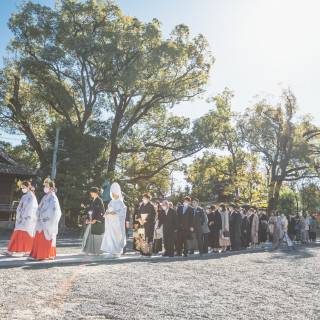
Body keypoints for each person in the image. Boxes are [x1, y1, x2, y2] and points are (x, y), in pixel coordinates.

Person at [1, 181, 38, 257]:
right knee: (16, 233)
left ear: (28, 187)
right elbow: (19, 207)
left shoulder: (32, 197)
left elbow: (31, 209)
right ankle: (10, 250)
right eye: (22, 187)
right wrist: (19, 214)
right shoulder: (24, 197)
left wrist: (24, 215)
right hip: (21, 218)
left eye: (24, 187)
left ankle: (29, 250)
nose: (22, 189)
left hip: (28, 219)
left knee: (28, 234)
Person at [28, 179, 61, 260]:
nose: (45, 188)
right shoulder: (45, 196)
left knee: (43, 236)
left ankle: (42, 255)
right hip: (41, 220)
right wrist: (38, 213)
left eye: (47, 186)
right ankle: (37, 254)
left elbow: (53, 210)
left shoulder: (53, 197)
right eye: (45, 186)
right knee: (38, 237)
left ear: (52, 188)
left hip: (47, 221)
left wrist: (42, 215)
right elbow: (39, 207)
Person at [101, 182, 126, 258]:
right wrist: (107, 212)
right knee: (110, 236)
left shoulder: (120, 202)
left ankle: (116, 252)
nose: (112, 194)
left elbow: (123, 210)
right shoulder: (111, 202)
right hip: (111, 222)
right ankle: (111, 251)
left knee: (116, 237)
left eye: (114, 193)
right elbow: (109, 209)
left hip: (117, 223)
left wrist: (116, 212)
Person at [80, 187, 105, 255]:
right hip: (91, 220)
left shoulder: (99, 200)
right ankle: (87, 250)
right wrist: (87, 219)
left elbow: (101, 211)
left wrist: (96, 219)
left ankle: (96, 251)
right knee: (87, 235)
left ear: (96, 193)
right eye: (90, 192)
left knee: (96, 237)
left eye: (92, 192)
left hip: (96, 222)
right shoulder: (92, 201)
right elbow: (89, 211)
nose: (91, 193)